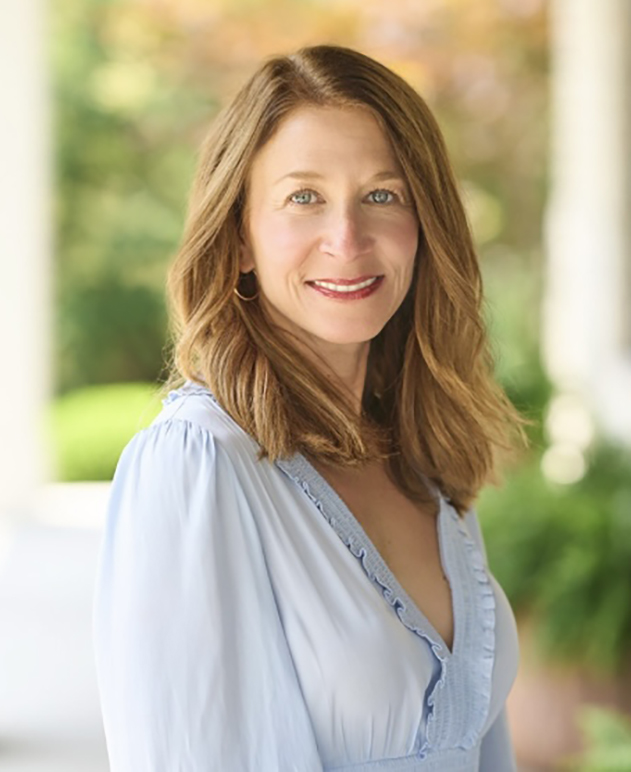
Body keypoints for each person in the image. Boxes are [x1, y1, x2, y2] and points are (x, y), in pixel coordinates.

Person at [93, 44, 531, 771]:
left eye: (381, 195)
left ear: (425, 227)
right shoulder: (199, 467)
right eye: (304, 198)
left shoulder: (427, 466)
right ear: (239, 237)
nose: (346, 239)